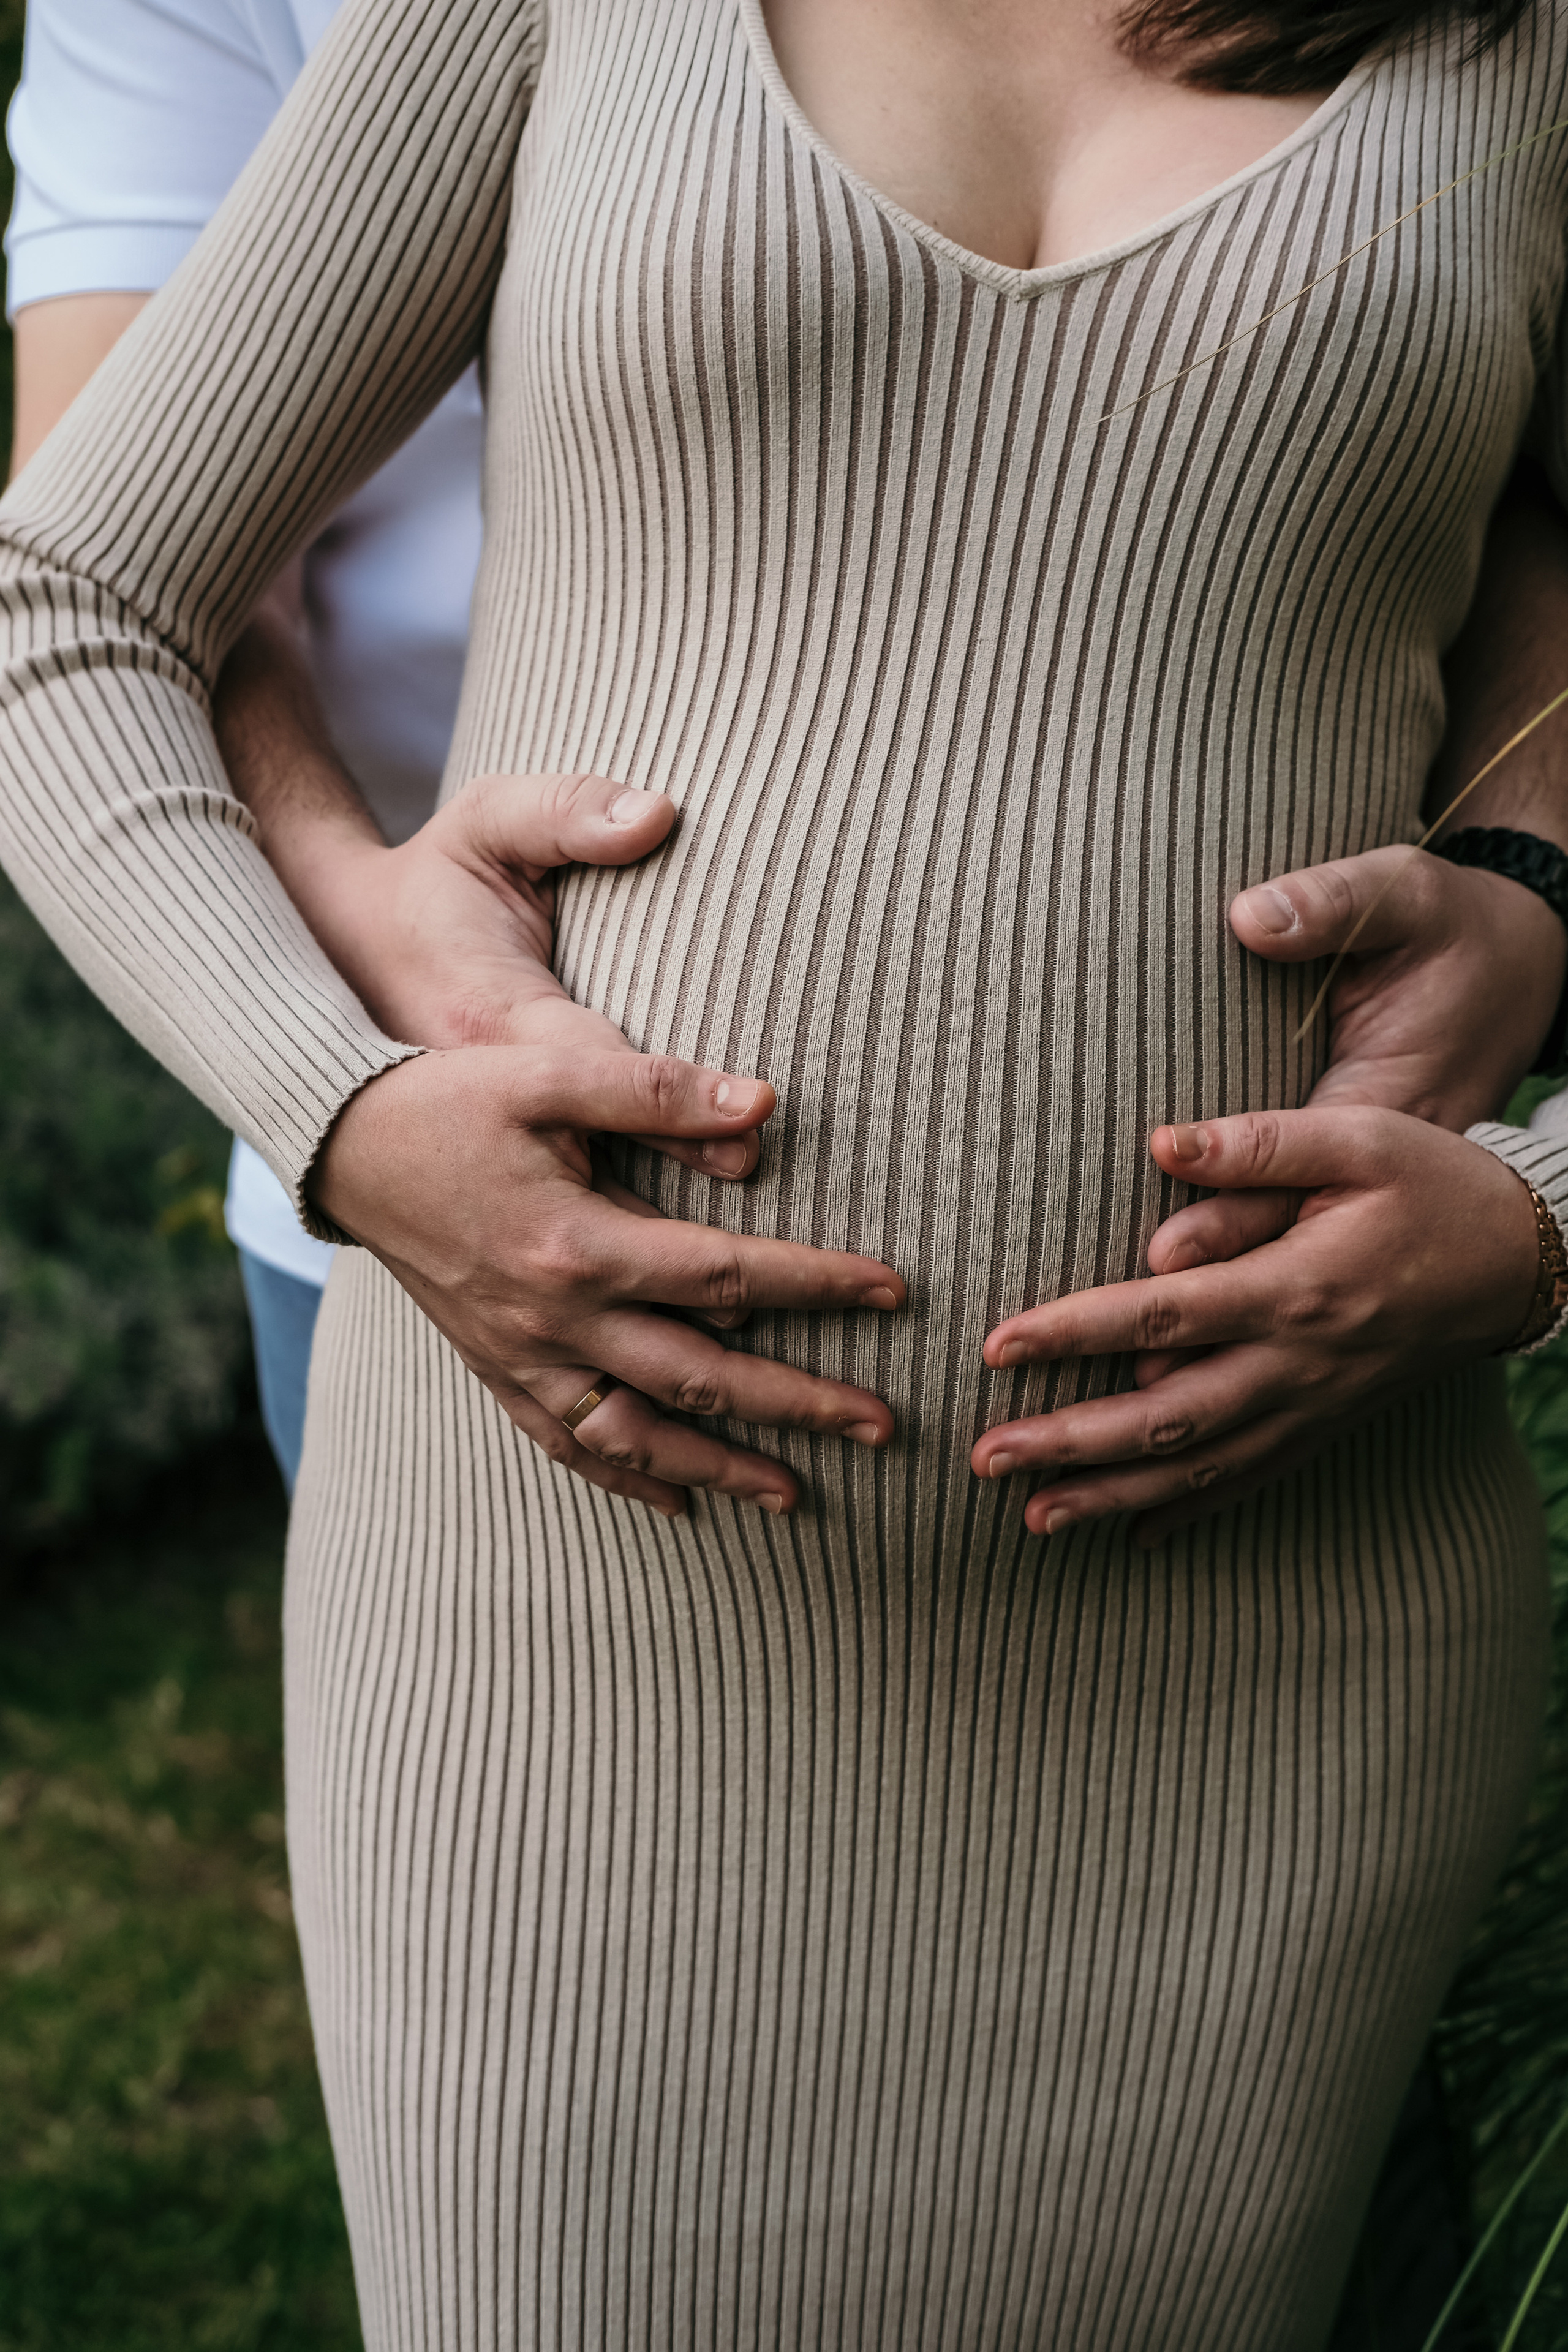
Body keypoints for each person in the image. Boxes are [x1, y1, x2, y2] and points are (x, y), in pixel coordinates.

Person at [1, 0, 1567, 2342]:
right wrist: (339, 1115)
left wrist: (1543, 1214)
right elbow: (70, 604)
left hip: (1277, 1654)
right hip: (561, 1625)